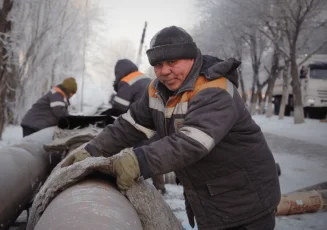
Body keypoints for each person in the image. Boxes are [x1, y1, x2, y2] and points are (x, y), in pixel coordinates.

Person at [63, 26, 280, 230]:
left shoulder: (214, 89)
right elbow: (128, 126)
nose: (164, 71)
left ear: (192, 58)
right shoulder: (157, 90)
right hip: (211, 198)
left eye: (172, 62)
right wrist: (91, 151)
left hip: (245, 200)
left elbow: (191, 143)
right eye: (158, 65)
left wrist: (136, 161)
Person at [109, 58, 166, 194]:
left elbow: (119, 107)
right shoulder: (145, 78)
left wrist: (112, 99)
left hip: (141, 125)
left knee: (140, 157)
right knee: (154, 152)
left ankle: (137, 190)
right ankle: (160, 187)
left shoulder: (127, 81)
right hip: (157, 121)